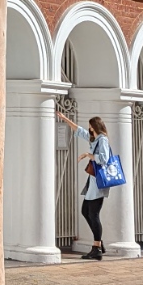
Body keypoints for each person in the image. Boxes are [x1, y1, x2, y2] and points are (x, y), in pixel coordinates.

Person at [57, 109, 116, 261]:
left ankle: (97, 248)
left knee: (93, 214)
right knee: (85, 211)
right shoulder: (94, 139)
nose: (89, 128)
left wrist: (88, 155)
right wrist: (64, 118)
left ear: (95, 126)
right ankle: (99, 242)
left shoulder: (102, 140)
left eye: (90, 126)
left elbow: (104, 159)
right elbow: (79, 131)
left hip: (99, 182)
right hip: (93, 181)